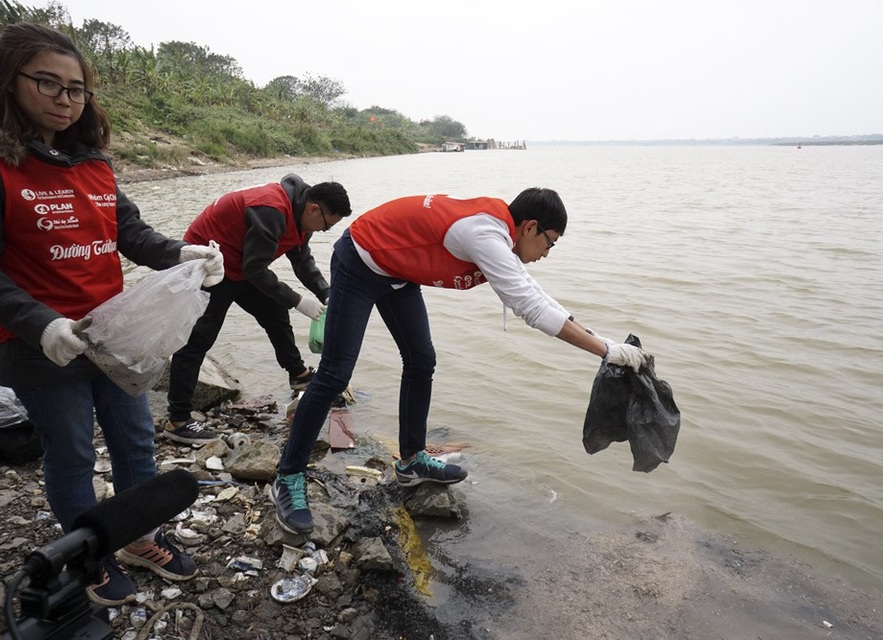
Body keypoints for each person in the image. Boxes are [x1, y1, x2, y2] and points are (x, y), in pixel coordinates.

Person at [0, 23, 225, 607]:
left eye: (77, 89)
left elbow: (131, 234)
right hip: (40, 342)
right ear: (8, 82)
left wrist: (181, 254)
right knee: (70, 451)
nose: (66, 100)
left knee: (136, 440)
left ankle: (137, 536)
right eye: (49, 83)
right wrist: (41, 323)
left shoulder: (93, 163)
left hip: (113, 334)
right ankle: (85, 554)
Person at [270, 188, 647, 534]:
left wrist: (605, 341)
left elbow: (536, 293)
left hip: (397, 272)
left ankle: (412, 461)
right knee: (335, 375)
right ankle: (287, 477)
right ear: (530, 226)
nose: (546, 254)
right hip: (361, 259)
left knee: (421, 360)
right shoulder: (485, 235)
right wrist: (604, 352)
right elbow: (530, 308)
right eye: (549, 243)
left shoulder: (499, 235)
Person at [163, 176, 351, 443]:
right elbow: (255, 269)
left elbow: (301, 259)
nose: (323, 231)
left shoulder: (301, 214)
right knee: (199, 338)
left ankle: (298, 375)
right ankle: (178, 420)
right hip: (209, 264)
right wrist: (298, 300)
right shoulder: (271, 211)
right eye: (326, 227)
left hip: (240, 263)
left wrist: (325, 292)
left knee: (274, 310)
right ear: (313, 209)